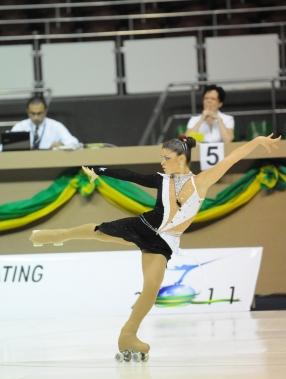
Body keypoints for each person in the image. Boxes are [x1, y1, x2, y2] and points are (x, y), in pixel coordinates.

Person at [29, 133, 281, 361]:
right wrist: (99, 169)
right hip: (144, 226)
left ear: (181, 158)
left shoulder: (201, 182)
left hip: (163, 243)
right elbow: (131, 176)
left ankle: (128, 335)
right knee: (100, 232)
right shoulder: (161, 179)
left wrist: (257, 141)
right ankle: (56, 235)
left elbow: (233, 158)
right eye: (161, 157)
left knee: (150, 290)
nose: (162, 162)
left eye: (166, 158)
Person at [12, 96, 82, 150]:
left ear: (45, 111)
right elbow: (3, 147)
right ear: (27, 111)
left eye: (39, 113)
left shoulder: (56, 126)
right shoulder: (20, 126)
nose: (36, 117)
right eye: (32, 113)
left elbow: (75, 143)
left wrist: (63, 144)